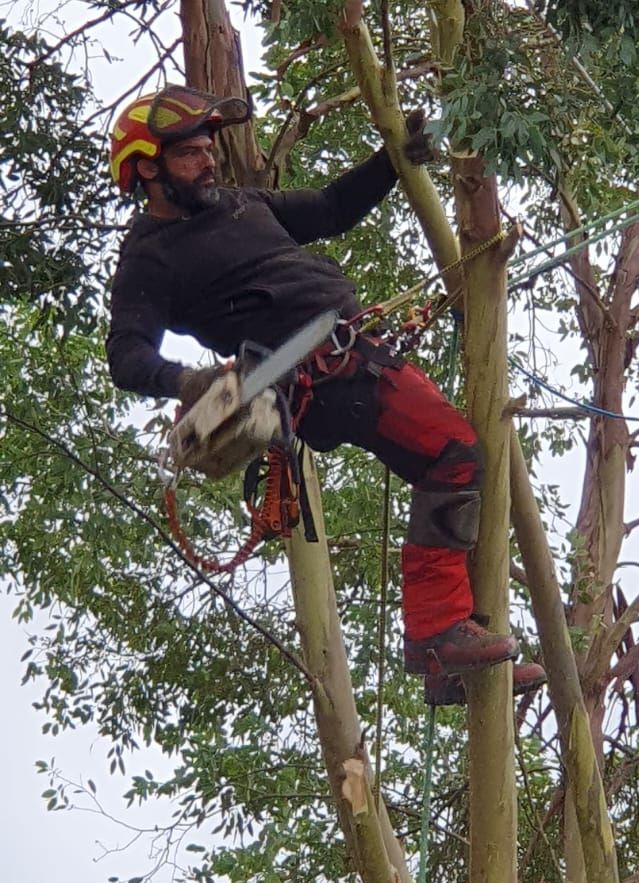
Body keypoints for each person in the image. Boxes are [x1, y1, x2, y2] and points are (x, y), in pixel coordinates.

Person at [107, 84, 545, 700]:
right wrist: (188, 381)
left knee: (460, 458)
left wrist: (393, 159)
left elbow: (334, 207)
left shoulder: (243, 204)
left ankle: (449, 653)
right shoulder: (149, 258)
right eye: (189, 154)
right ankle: (436, 635)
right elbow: (125, 356)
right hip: (320, 378)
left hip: (356, 351)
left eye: (208, 148)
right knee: (453, 452)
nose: (207, 161)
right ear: (148, 169)